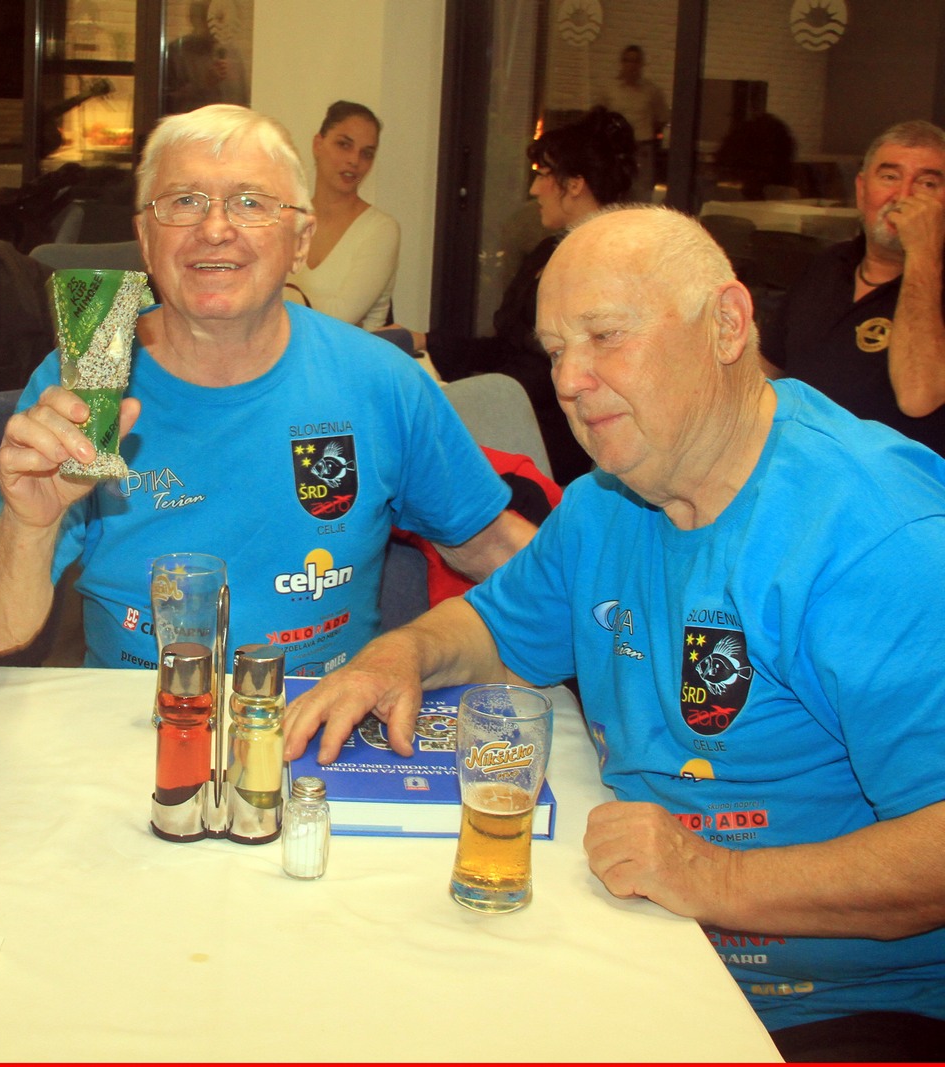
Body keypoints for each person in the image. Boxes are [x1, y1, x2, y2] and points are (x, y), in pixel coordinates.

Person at [286, 204, 945, 1062]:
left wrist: (712, 875)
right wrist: (397, 655)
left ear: (727, 325)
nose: (569, 379)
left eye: (605, 336)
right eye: (557, 350)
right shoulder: (609, 499)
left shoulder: (877, 532)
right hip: (634, 938)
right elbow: (492, 626)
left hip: (829, 1010)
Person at [0, 104, 534, 677]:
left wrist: (594, 606)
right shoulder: (86, 383)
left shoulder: (382, 381)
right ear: (145, 237)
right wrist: (28, 526)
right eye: (184, 202)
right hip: (136, 713)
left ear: (301, 240)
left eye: (251, 203)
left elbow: (492, 547)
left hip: (322, 713)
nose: (214, 230)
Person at [409, 107, 636, 483]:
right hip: (521, 411)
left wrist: (474, 392)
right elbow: (507, 348)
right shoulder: (549, 252)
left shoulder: (607, 265)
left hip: (559, 437)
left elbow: (553, 373)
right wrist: (426, 342)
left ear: (574, 184)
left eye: (543, 175)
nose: (533, 189)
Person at [762, 119, 945, 456]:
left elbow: (918, 397)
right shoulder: (827, 265)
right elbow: (766, 368)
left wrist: (922, 251)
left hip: (897, 484)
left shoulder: (934, 280)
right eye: (889, 177)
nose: (903, 196)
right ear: (861, 191)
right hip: (798, 467)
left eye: (927, 183)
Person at [285, 101, 400, 330]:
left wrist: (280, 299)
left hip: (352, 354)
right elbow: (255, 296)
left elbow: (339, 319)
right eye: (344, 145)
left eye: (367, 154)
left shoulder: (381, 229)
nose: (354, 161)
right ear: (318, 144)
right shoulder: (288, 219)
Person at [594, 44, 666, 201]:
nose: (631, 65)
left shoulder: (652, 91)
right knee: (614, 193)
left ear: (641, 64)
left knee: (641, 194)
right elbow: (599, 119)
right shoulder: (609, 90)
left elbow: (660, 119)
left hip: (641, 150)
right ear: (622, 63)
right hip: (616, 150)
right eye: (628, 61)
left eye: (636, 61)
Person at [163, 0, 249, 115]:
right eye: (207, 17)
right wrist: (202, 84)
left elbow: (244, 101)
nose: (216, 25)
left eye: (221, 18)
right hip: (193, 124)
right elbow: (166, 104)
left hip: (230, 123)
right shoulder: (178, 52)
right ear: (194, 19)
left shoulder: (233, 54)